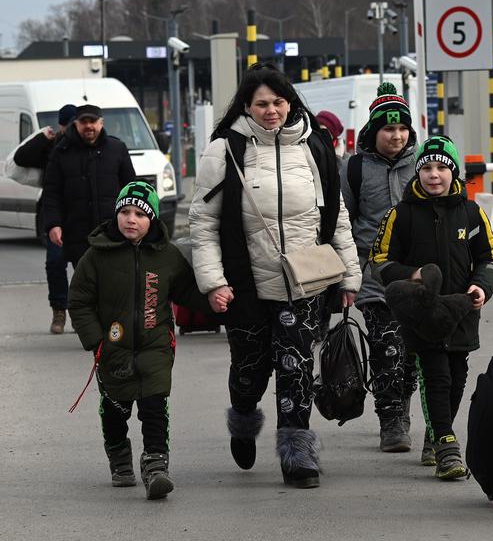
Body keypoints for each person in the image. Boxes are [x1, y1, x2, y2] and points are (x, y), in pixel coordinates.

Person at [189, 63, 361, 489]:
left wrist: (349, 277)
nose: (272, 111)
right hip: (245, 286)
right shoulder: (224, 150)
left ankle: (297, 451)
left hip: (304, 284)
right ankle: (244, 420)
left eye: (279, 102)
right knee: (249, 372)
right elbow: (203, 223)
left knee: (296, 367)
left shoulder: (316, 146)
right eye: (262, 103)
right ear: (246, 106)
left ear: (291, 102)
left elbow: (336, 216)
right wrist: (214, 283)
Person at [370, 136, 493, 480]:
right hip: (422, 313)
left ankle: (435, 433)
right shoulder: (400, 214)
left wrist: (481, 286)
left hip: (461, 310)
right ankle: (447, 446)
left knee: (457, 376)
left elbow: (492, 258)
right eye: (426, 168)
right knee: (436, 377)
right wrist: (411, 275)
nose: (434, 175)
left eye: (442, 168)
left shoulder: (471, 211)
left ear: (453, 172)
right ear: (417, 173)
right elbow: (380, 260)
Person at [68, 181, 207, 500]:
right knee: (116, 410)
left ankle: (156, 466)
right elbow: (79, 300)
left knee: (154, 406)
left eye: (140, 214)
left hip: (155, 345)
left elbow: (186, 291)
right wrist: (95, 341)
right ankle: (119, 457)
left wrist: (215, 300)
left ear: (153, 220)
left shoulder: (167, 256)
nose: (131, 219)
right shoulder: (97, 256)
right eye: (125, 212)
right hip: (112, 348)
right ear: (116, 214)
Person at [340, 83, 420, 456]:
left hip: (419, 280)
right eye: (389, 129)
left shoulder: (423, 166)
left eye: (402, 129)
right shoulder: (354, 169)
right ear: (374, 132)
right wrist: (345, 275)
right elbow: (343, 222)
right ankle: (390, 420)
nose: (397, 136)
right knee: (386, 349)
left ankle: (402, 406)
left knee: (412, 354)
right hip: (374, 281)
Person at [10, 104, 77, 334]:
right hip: (56, 215)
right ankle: (59, 311)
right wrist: (42, 138)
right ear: (62, 125)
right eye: (70, 125)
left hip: (81, 217)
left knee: (86, 268)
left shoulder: (87, 147)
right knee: (55, 264)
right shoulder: (51, 146)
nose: (74, 129)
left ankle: (81, 313)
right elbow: (20, 158)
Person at [43, 104, 136, 267]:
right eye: (83, 122)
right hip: (77, 233)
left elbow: (131, 188)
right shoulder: (61, 152)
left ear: (101, 123)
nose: (88, 126)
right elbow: (51, 193)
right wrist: (53, 224)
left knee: (112, 281)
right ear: (76, 124)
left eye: (92, 121)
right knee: (86, 284)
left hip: (112, 231)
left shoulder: (117, 149)